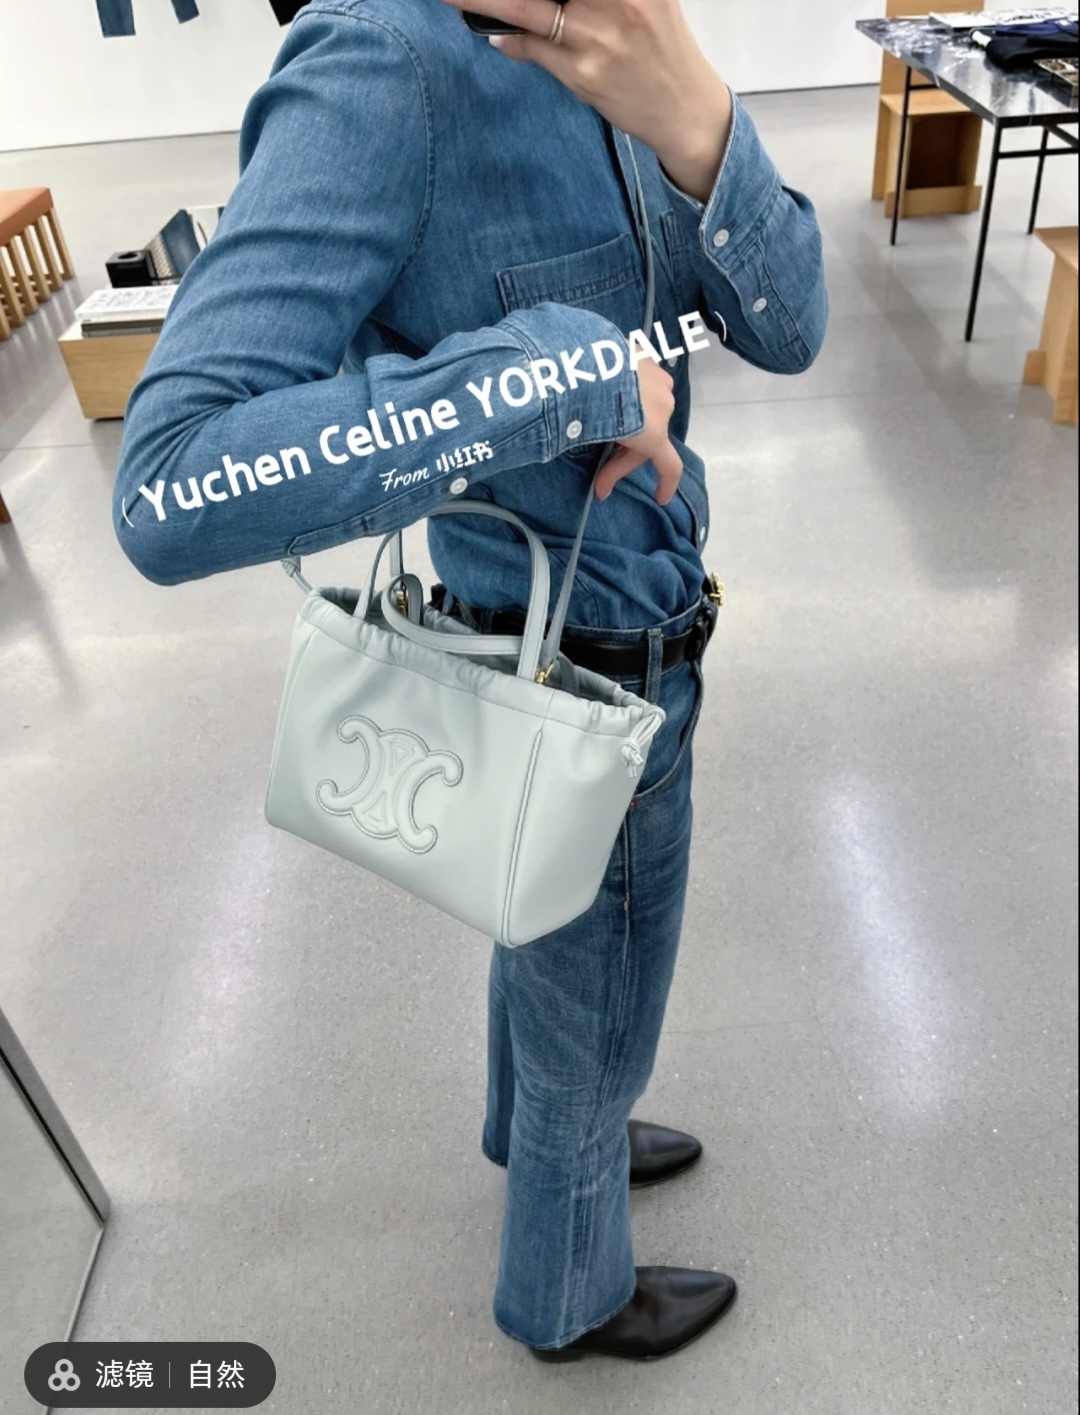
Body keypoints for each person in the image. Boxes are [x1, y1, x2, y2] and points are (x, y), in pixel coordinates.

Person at [112, 0, 827, 1362]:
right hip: (580, 664)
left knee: (550, 931)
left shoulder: (627, 37)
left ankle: (536, 1127)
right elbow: (171, 485)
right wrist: (570, 375)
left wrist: (699, 124)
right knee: (600, 1001)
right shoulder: (383, 67)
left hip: (627, 617)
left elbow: (792, 329)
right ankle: (570, 1292)